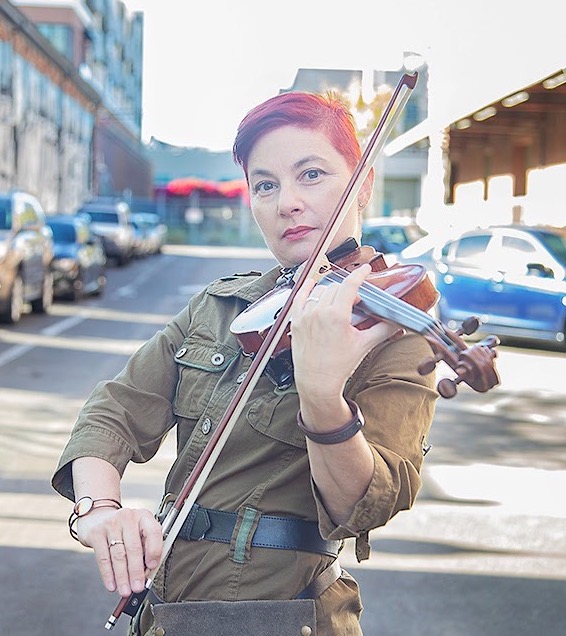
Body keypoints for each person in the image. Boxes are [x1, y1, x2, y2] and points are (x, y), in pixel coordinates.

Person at [52, 90, 438, 635]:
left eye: (311, 175)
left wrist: (323, 397)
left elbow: (367, 504)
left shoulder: (391, 328)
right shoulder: (222, 307)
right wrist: (98, 511)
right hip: (165, 613)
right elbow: (114, 408)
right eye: (265, 184)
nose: (287, 203)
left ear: (364, 183)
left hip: (278, 617)